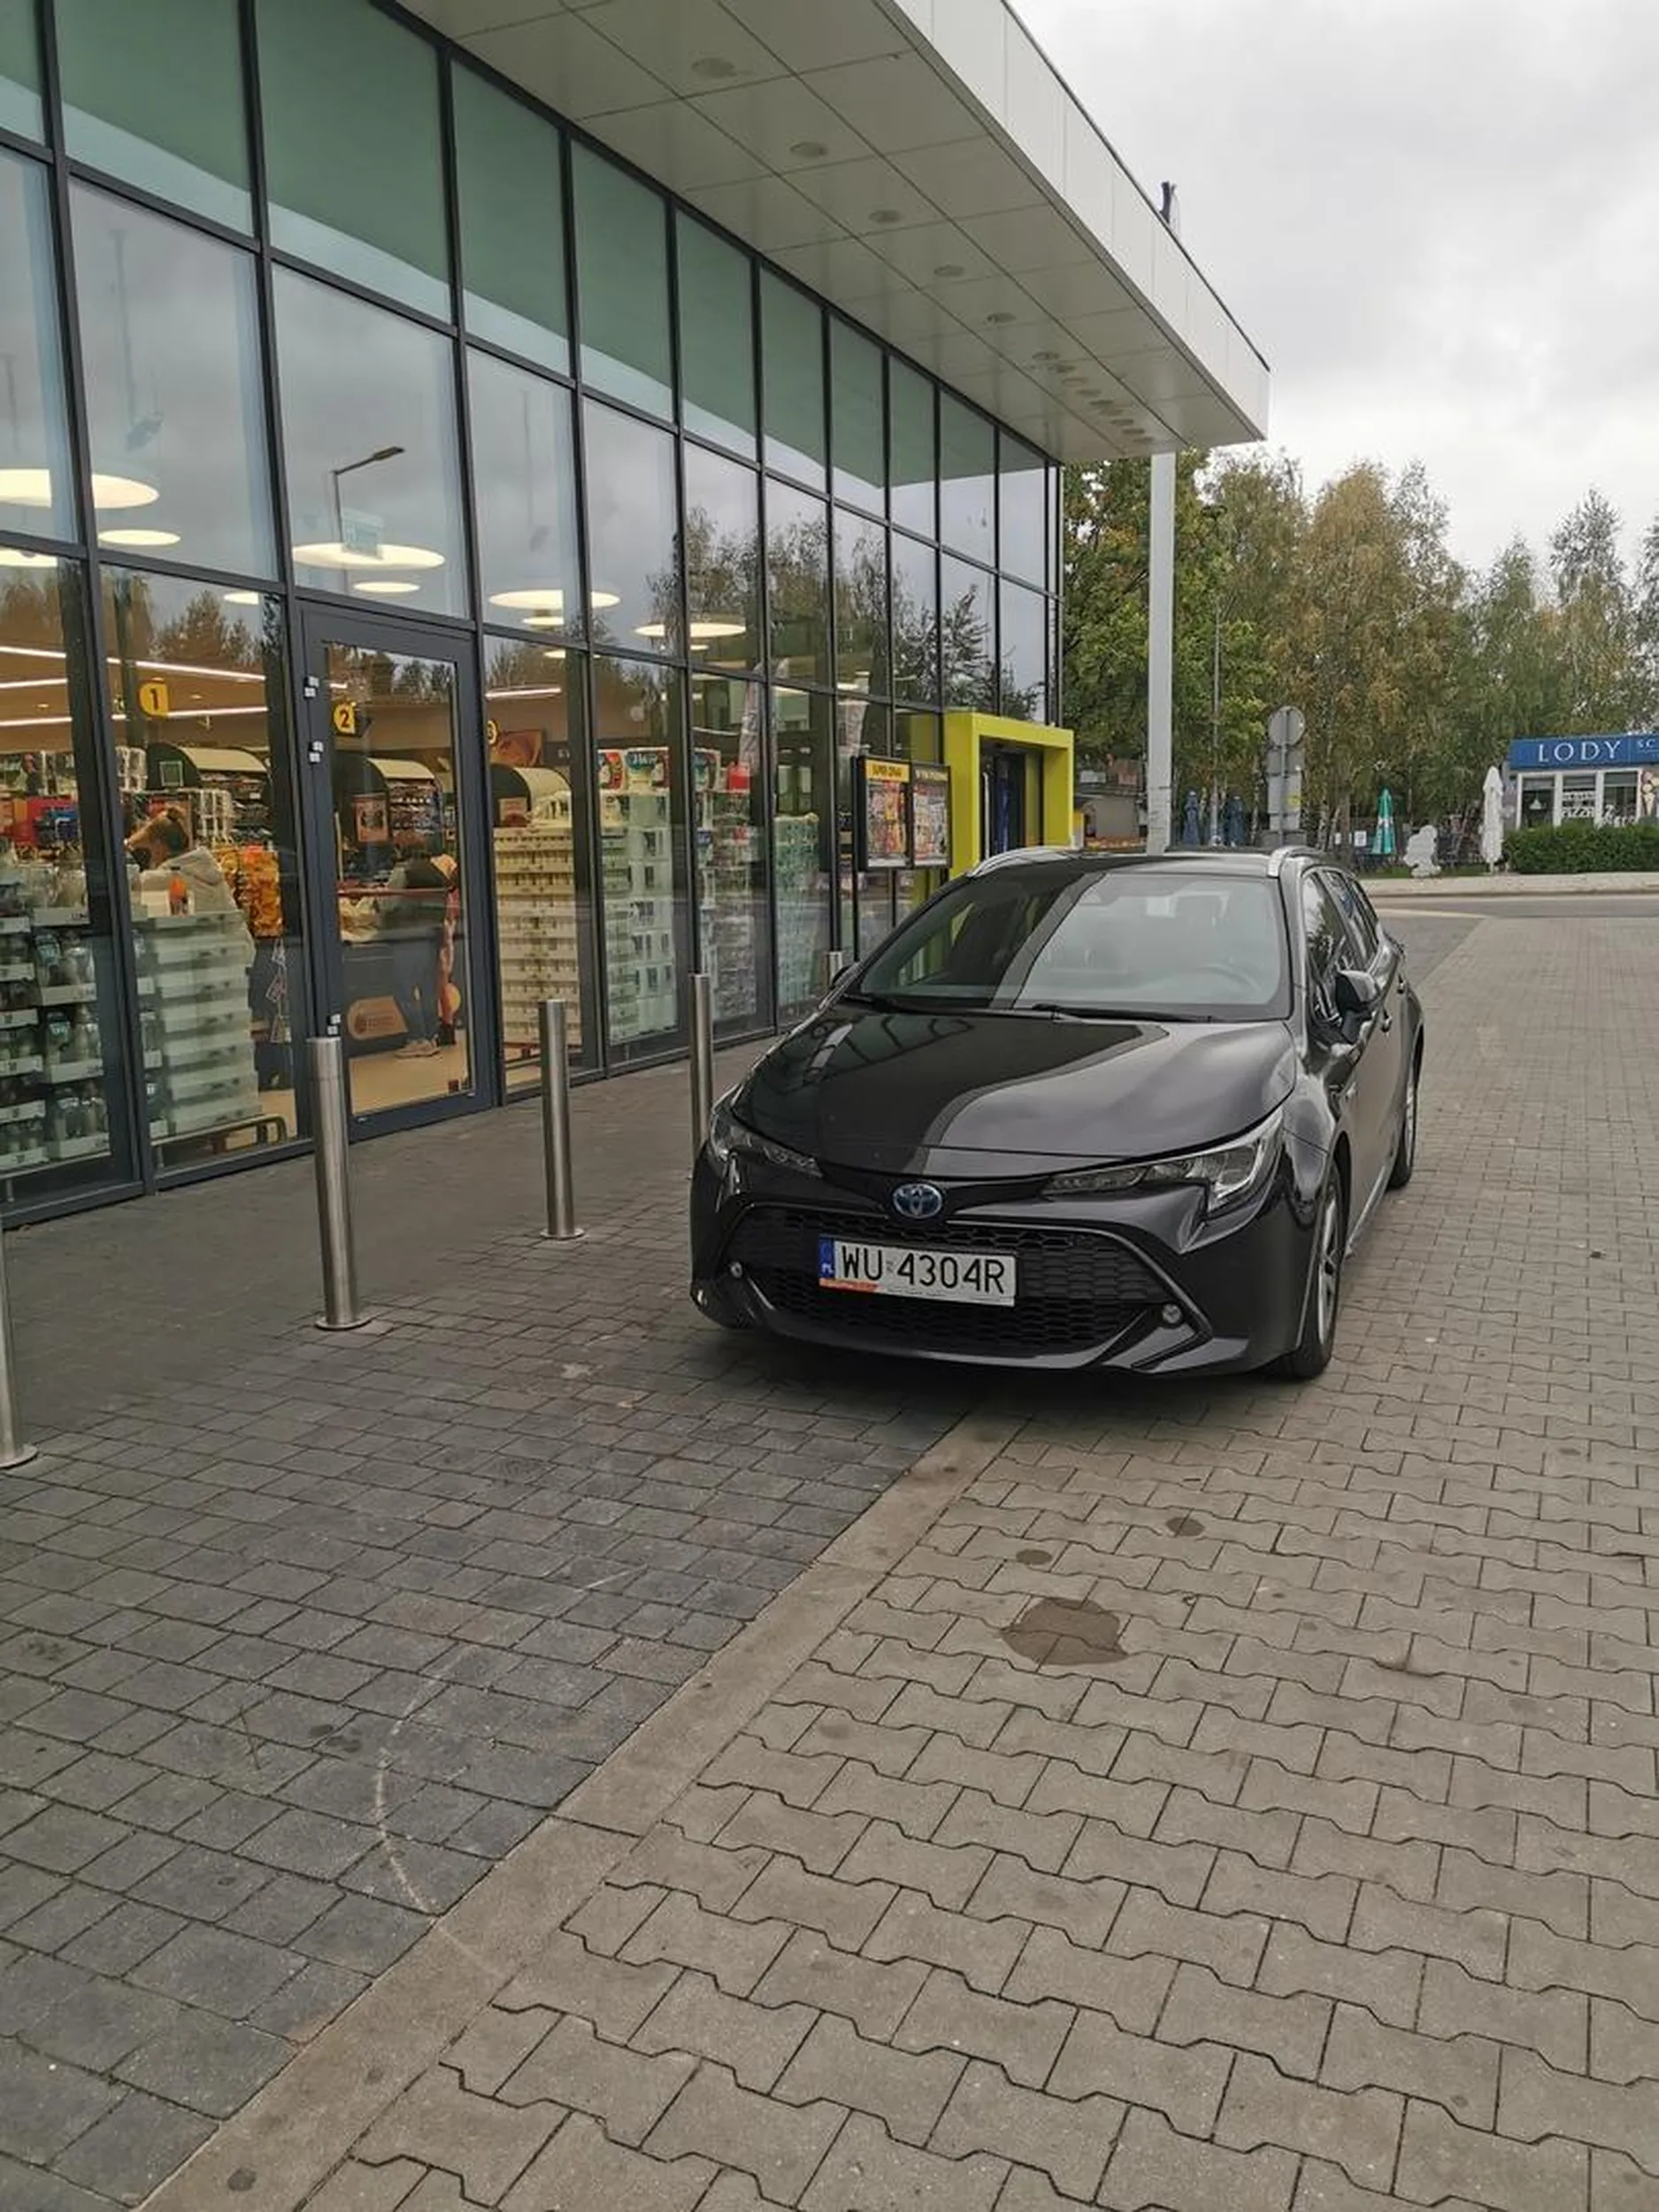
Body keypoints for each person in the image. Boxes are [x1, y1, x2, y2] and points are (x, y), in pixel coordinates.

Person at [378, 837, 449, 1057]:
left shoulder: (404, 872)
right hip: (432, 935)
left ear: (402, 850)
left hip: (408, 935)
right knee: (427, 988)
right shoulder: (437, 872)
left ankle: (417, 1037)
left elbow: (389, 903)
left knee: (402, 990)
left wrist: (375, 902)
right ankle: (430, 1036)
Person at [126, 808, 242, 918]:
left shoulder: (166, 877)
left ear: (159, 845)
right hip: (236, 938)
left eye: (150, 848)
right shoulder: (208, 866)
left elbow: (124, 885)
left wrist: (128, 843)